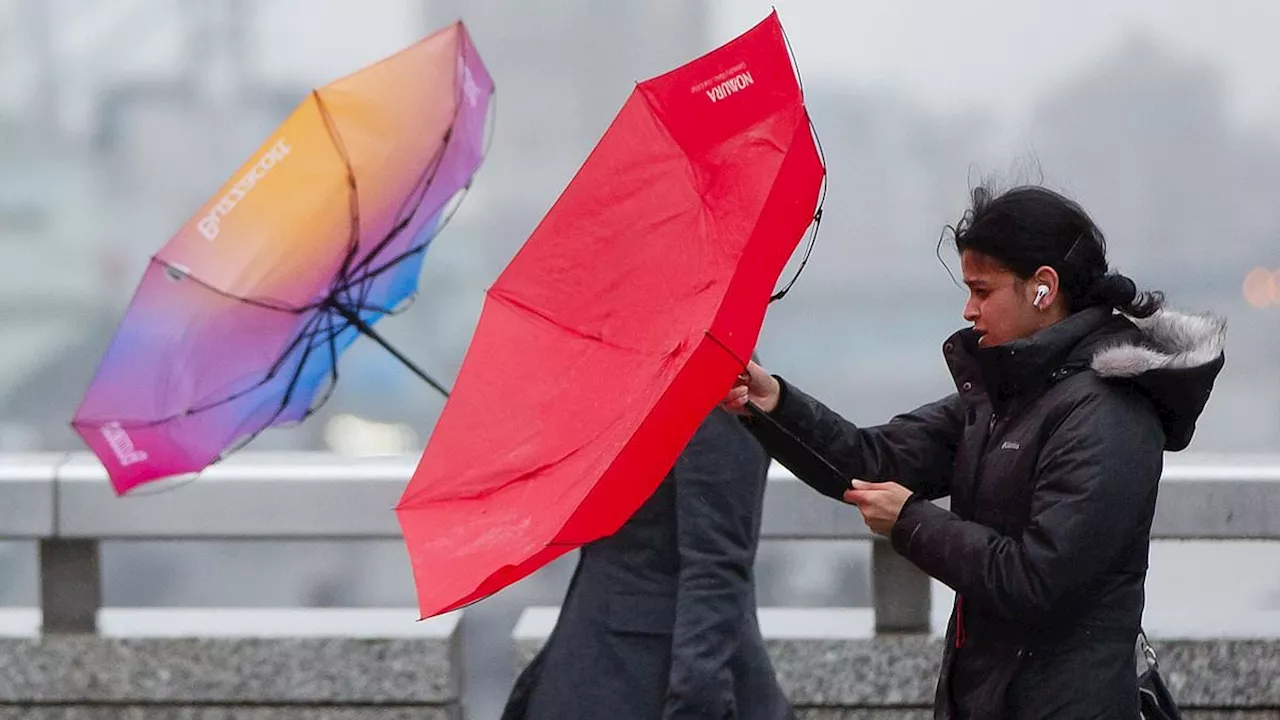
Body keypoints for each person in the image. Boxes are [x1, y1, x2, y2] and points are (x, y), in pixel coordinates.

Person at [723, 185, 1225, 719]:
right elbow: (872, 461)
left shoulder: (1110, 414)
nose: (968, 310)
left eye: (982, 291)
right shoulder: (1000, 397)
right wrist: (772, 402)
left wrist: (911, 523)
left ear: (1043, 288)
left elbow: (1038, 579)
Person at [500, 404, 794, 720]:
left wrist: (693, 704)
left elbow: (716, 568)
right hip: (590, 660)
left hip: (659, 677)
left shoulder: (717, 389)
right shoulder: (622, 385)